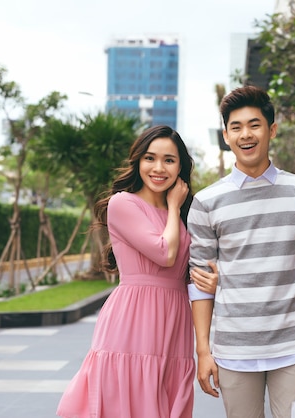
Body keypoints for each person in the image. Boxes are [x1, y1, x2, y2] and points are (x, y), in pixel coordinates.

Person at [187, 85, 295, 418]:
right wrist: (203, 351)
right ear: (225, 135)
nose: (246, 134)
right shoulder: (206, 202)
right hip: (233, 348)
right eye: (236, 127)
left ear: (271, 130)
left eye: (254, 125)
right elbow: (199, 281)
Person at [57, 125, 218, 418]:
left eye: (169, 160)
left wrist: (213, 277)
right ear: (137, 161)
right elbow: (165, 253)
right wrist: (172, 207)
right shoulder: (123, 203)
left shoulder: (186, 212)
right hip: (133, 319)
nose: (159, 168)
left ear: (181, 165)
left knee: (165, 394)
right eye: (150, 158)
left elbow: (191, 265)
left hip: (174, 319)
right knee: (128, 395)